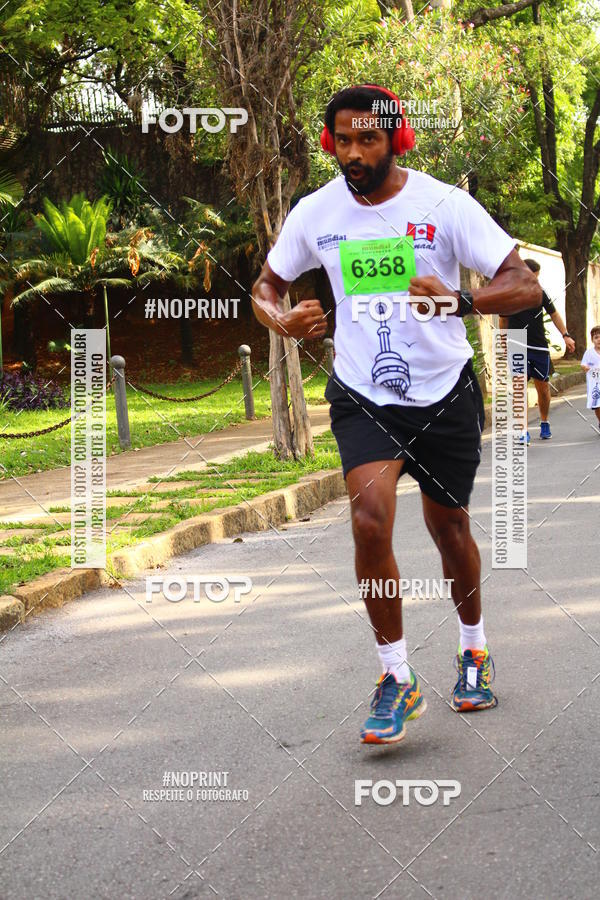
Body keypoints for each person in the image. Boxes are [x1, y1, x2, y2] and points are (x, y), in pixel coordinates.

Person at [251, 84, 541, 745]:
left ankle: (473, 648)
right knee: (369, 516)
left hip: (444, 392)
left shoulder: (445, 205)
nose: (353, 153)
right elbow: (266, 287)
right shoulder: (315, 213)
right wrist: (281, 319)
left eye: (368, 140)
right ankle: (395, 675)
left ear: (397, 140)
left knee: (450, 528)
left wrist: (460, 303)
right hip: (363, 393)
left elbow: (523, 283)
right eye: (342, 141)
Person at [499, 258, 575, 444]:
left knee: (543, 389)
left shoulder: (540, 293)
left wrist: (565, 335)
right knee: (519, 388)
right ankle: (523, 431)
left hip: (538, 346)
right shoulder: (508, 294)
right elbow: (503, 320)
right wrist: (503, 341)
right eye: (534, 276)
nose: (536, 280)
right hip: (517, 344)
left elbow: (554, 314)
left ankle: (544, 421)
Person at [581, 325, 600, 432]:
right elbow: (583, 364)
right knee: (597, 405)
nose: (599, 340)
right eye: (596, 337)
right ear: (592, 340)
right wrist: (586, 367)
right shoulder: (589, 353)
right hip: (595, 384)